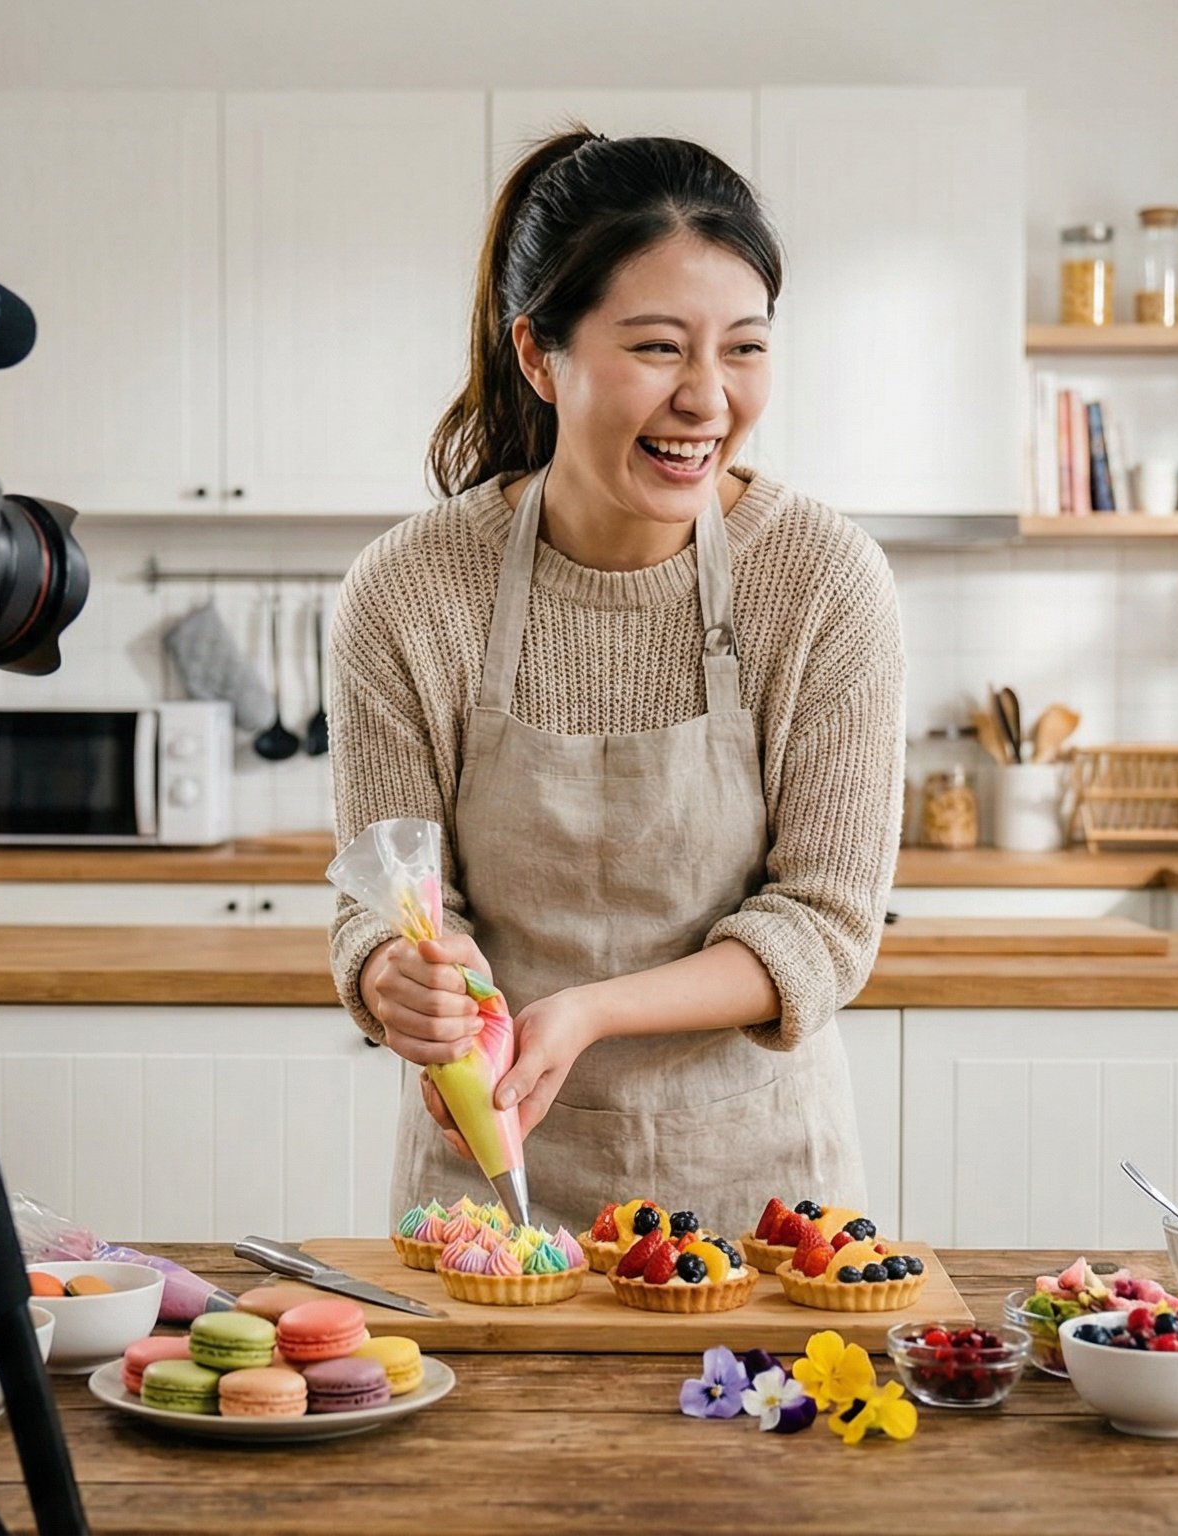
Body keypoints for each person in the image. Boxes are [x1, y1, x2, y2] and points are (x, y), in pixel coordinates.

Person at [325, 128, 905, 1233]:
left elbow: (826, 927)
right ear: (540, 355)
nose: (707, 399)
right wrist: (390, 977)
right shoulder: (407, 590)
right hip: (487, 1198)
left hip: (764, 1208)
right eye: (655, 348)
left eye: (743, 348)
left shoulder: (823, 580)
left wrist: (585, 1014)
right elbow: (382, 898)